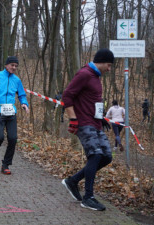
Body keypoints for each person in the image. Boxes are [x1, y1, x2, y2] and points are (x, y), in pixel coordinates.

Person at [61, 48, 114, 211]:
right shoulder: (84, 74)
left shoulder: (96, 77)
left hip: (96, 122)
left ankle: (73, 181)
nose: (109, 69)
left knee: (106, 156)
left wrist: (102, 117)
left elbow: (92, 100)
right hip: (84, 122)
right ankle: (88, 197)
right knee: (95, 154)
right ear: (102, 61)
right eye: (109, 65)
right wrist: (73, 119)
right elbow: (67, 96)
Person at [0, 56, 29, 175]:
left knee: (13, 139)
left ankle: (6, 164)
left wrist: (24, 103)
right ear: (6, 65)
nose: (14, 67)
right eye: (12, 65)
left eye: (16, 66)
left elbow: (22, 95)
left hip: (11, 112)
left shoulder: (17, 80)